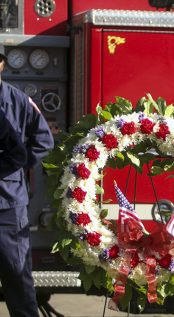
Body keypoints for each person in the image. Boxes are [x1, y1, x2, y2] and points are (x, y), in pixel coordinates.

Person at [0, 44, 54, 316]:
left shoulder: (19, 101)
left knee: (17, 277)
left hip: (7, 206)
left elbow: (44, 141)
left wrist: (13, 167)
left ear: (2, 65)